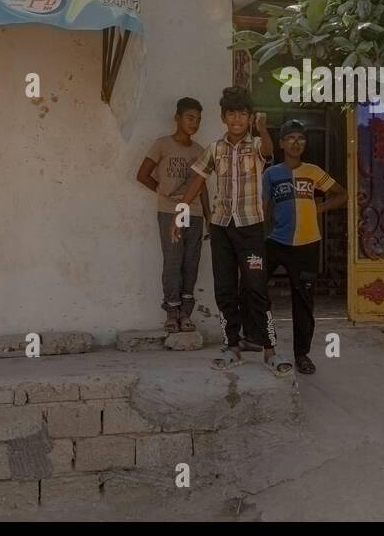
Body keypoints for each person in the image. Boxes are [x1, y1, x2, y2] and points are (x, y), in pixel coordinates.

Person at [177, 87, 293, 376]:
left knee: (256, 288)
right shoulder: (215, 149)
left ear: (249, 117)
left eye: (242, 113)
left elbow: (269, 151)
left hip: (250, 228)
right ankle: (232, 347)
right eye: (232, 113)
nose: (237, 119)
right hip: (221, 227)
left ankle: (270, 350)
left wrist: (263, 129)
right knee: (225, 288)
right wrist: (179, 213)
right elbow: (197, 180)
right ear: (223, 117)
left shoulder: (255, 145)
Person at [262, 120, 347, 375]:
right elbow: (263, 208)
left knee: (304, 302)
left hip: (308, 244)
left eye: (300, 138)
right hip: (275, 242)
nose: (296, 143)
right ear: (281, 143)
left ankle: (302, 355)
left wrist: (317, 208)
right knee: (254, 289)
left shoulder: (313, 171)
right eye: (290, 138)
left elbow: (342, 194)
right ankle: (265, 342)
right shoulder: (271, 174)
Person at [137, 97, 211, 333]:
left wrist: (210, 218)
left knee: (191, 262)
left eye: (198, 120)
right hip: (170, 212)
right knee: (173, 261)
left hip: (196, 213)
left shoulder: (200, 151)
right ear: (177, 118)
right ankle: (171, 312)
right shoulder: (162, 145)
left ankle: (186, 314)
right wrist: (164, 193)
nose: (194, 123)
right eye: (190, 118)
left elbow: (203, 186)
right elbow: (143, 175)